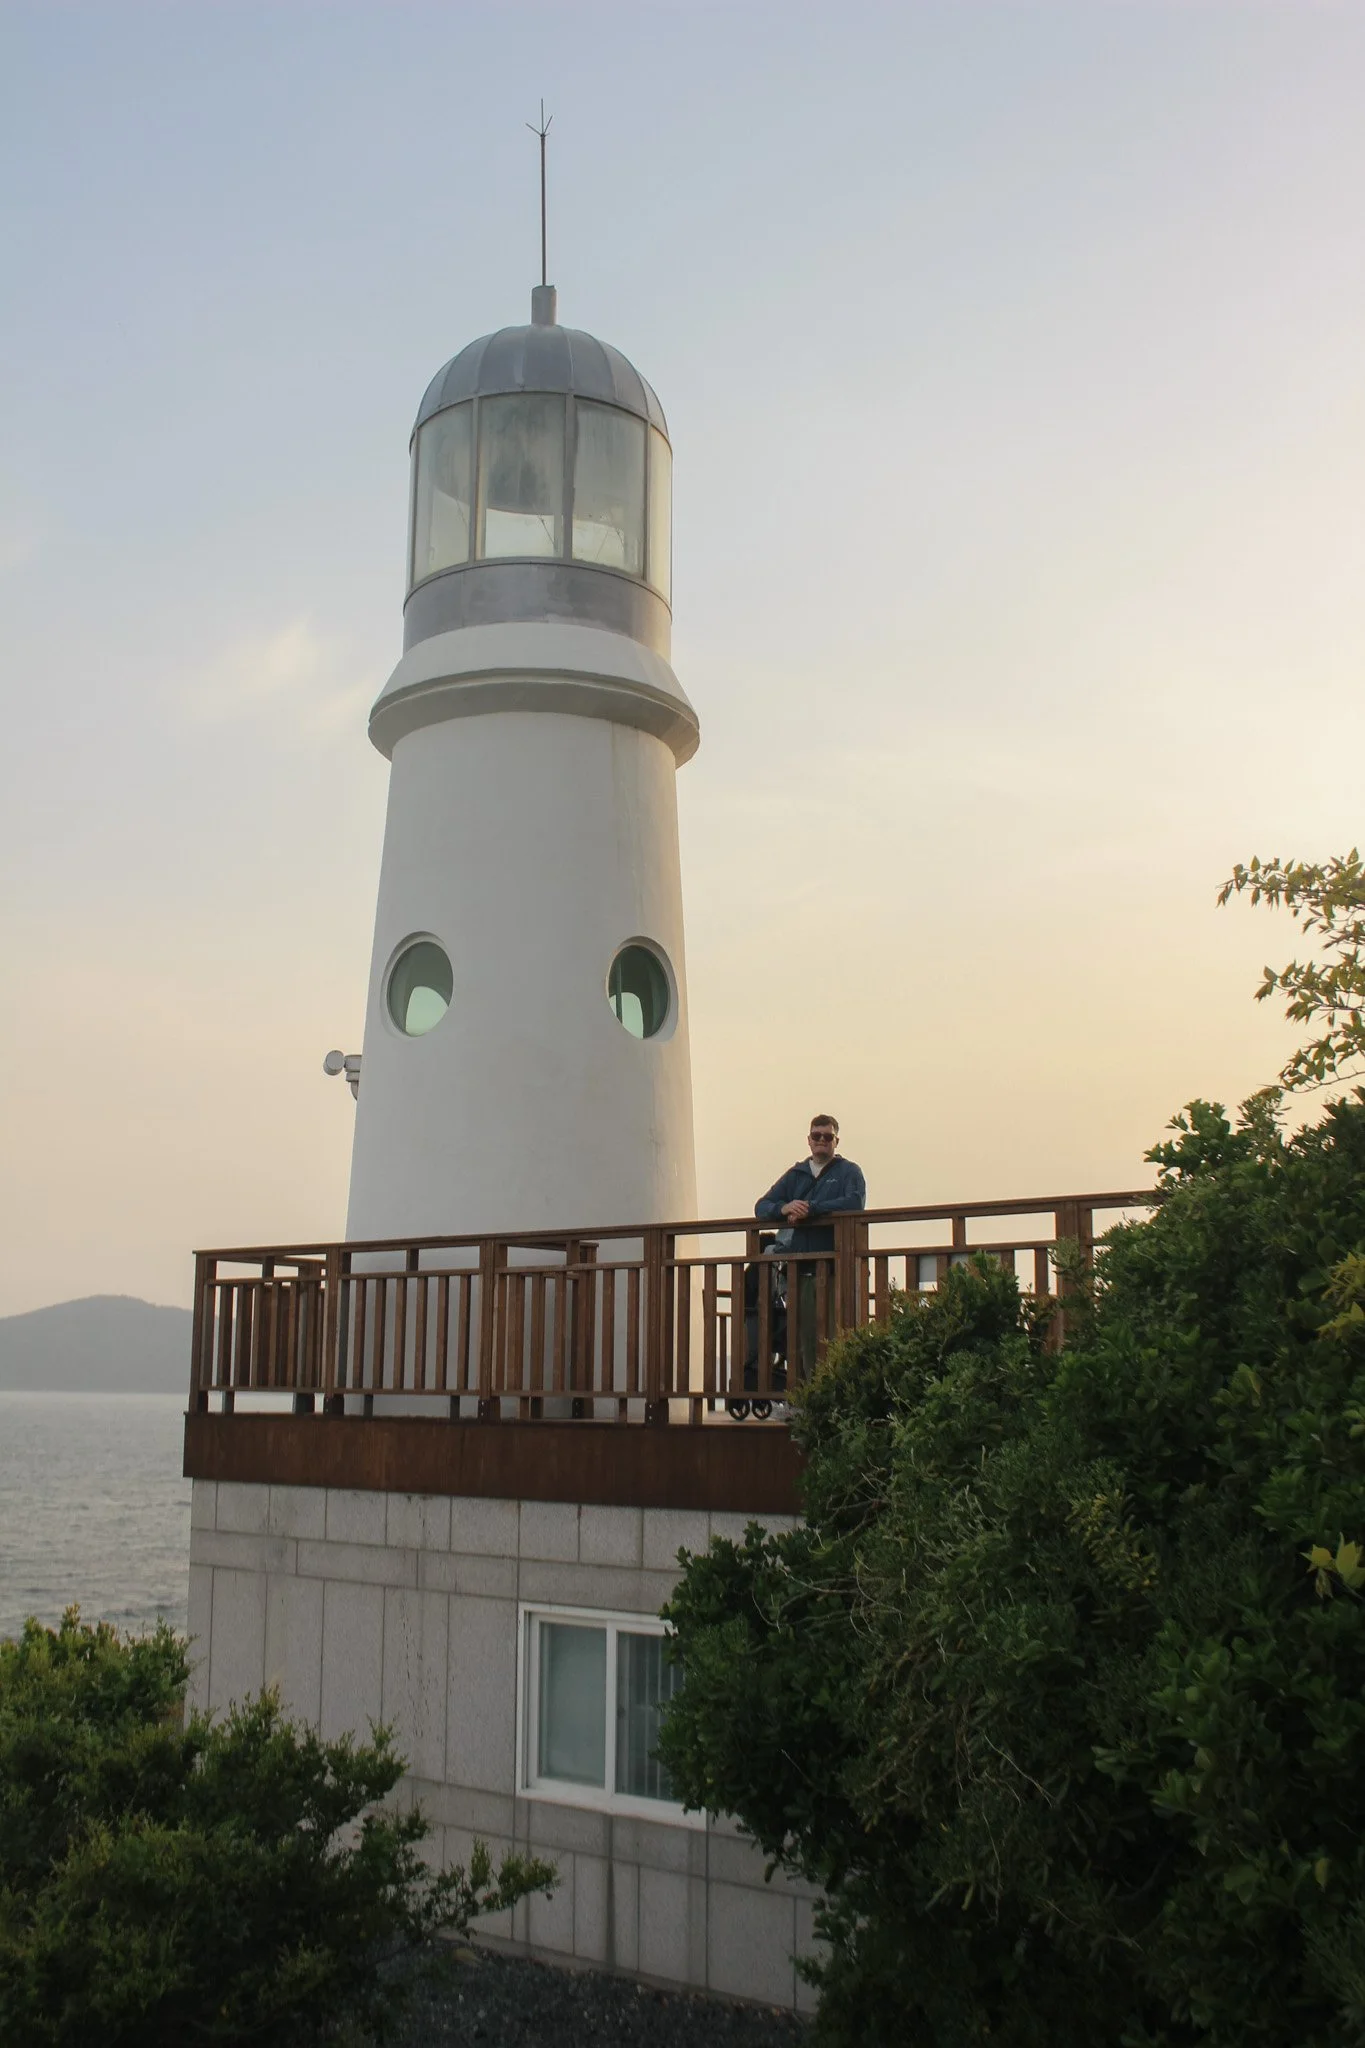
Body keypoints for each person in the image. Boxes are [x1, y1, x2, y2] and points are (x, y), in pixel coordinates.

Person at [754, 1116, 866, 1379]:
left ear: (836, 1141)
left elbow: (854, 1202)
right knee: (805, 1337)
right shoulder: (796, 1174)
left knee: (838, 1334)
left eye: (828, 1137)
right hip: (801, 1270)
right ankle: (809, 1397)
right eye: (817, 1136)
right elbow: (761, 1206)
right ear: (808, 1140)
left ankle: (839, 1392)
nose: (822, 1141)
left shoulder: (849, 1172)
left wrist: (812, 1210)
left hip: (837, 1268)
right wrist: (784, 1208)